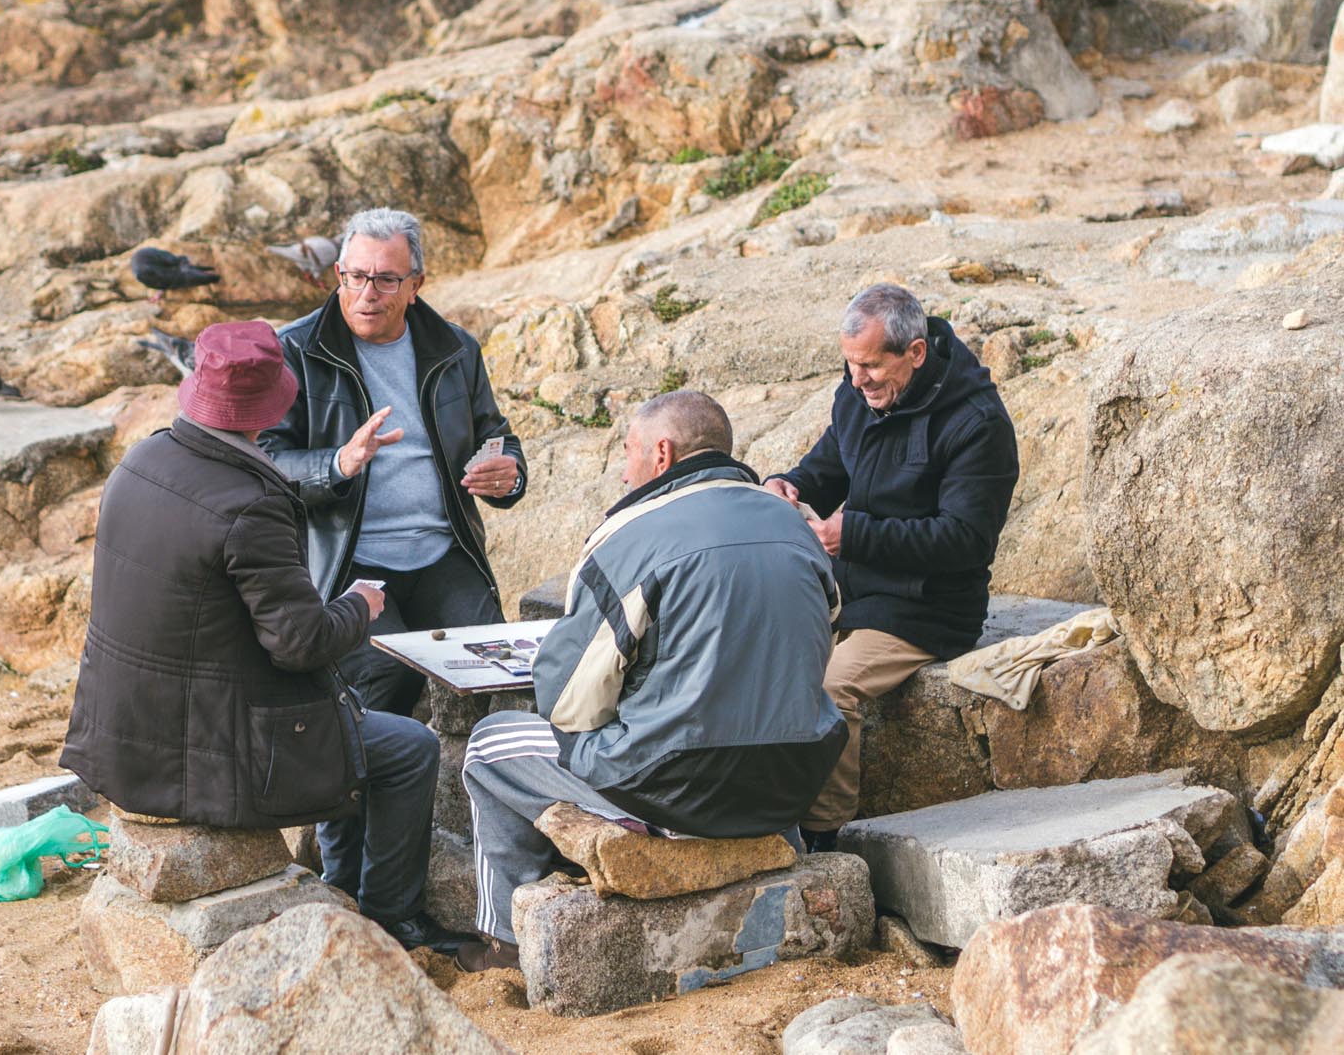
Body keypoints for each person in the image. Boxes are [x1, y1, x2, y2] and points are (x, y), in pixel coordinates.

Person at [61, 321, 471, 954]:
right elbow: (300, 644)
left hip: (122, 734)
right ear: (267, 407)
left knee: (351, 718)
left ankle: (338, 883)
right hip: (205, 754)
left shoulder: (143, 459)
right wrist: (360, 603)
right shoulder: (252, 502)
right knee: (410, 747)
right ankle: (391, 920)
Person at [455, 391, 845, 972]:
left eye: (630, 451)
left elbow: (567, 703)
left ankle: (504, 943)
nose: (623, 469)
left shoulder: (631, 535)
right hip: (790, 787)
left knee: (489, 745)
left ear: (662, 454)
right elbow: (818, 639)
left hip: (676, 789)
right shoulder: (794, 527)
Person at [259, 207, 526, 905]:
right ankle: (359, 889)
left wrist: (508, 474)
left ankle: (497, 855)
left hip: (442, 553)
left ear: (417, 283)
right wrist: (338, 463)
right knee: (375, 699)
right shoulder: (298, 348)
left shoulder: (454, 348)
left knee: (505, 675)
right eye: (352, 277)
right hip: (349, 560)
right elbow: (265, 461)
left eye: (384, 280)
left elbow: (497, 437)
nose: (364, 295)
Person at [762, 283, 1019, 853]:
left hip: (926, 608)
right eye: (851, 365)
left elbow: (966, 540)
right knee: (759, 649)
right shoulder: (859, 393)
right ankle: (754, 812)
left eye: (873, 366)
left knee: (831, 686)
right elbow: (828, 466)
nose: (859, 380)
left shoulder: (977, 423)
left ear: (917, 353)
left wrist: (850, 534)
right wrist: (791, 485)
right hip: (851, 587)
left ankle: (822, 838)